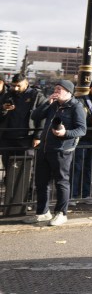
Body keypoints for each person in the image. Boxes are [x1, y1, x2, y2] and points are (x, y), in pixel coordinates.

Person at [31, 80, 86, 226]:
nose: (56, 91)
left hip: (62, 149)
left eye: (59, 89)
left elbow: (82, 130)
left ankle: (61, 213)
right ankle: (43, 212)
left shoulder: (76, 106)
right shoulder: (53, 105)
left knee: (61, 181)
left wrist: (65, 133)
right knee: (41, 182)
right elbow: (35, 116)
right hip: (44, 148)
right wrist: (47, 103)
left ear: (69, 92)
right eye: (55, 88)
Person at [0, 73, 47, 216]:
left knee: (27, 172)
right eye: (13, 85)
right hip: (8, 138)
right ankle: (10, 201)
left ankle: (27, 199)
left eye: (18, 85)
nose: (15, 88)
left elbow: (43, 115)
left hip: (27, 139)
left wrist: (38, 135)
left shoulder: (36, 95)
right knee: (9, 170)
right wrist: (4, 109)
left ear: (26, 83)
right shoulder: (8, 95)